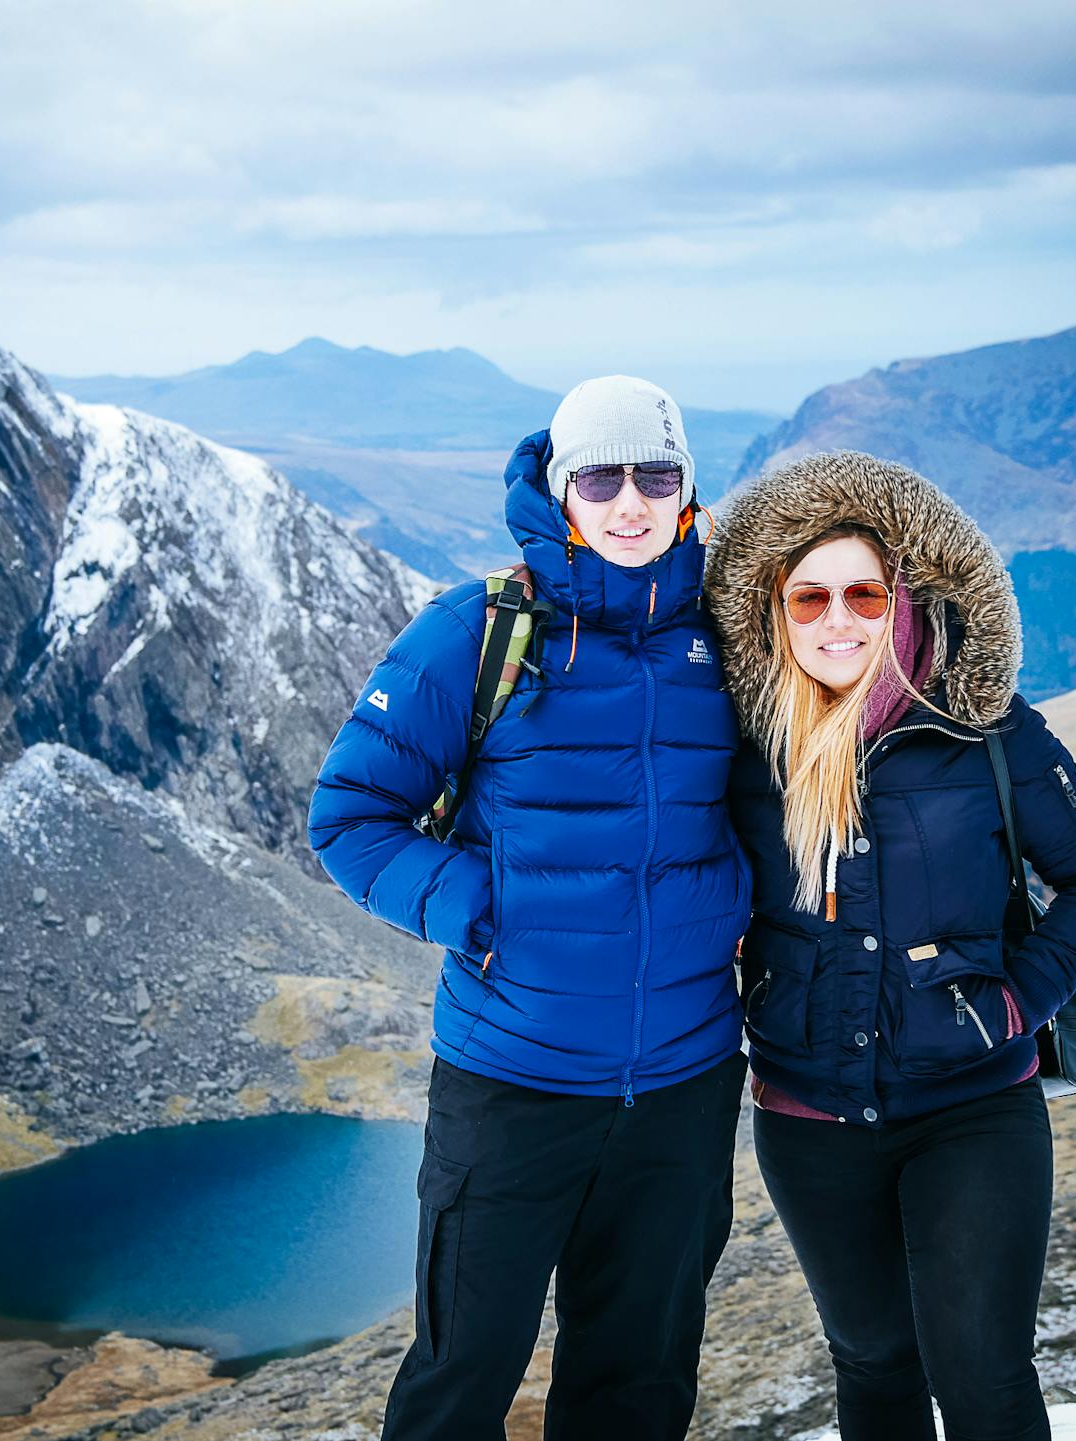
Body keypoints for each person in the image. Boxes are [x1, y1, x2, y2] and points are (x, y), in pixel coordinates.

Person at [308, 377, 752, 1441]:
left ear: (688, 489)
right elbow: (350, 814)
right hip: (512, 1083)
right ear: (560, 489)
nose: (631, 502)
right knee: (461, 1378)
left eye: (658, 475)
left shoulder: (732, 636)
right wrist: (481, 907)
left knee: (638, 1388)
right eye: (601, 477)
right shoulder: (478, 629)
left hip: (685, 1086)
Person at [704, 450, 1076, 1441]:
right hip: (807, 1118)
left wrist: (1014, 1001)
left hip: (974, 1110)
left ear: (902, 599)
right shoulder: (740, 746)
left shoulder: (987, 730)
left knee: (981, 1372)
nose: (837, 619)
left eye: (863, 591)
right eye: (807, 597)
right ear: (775, 609)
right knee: (872, 1364)